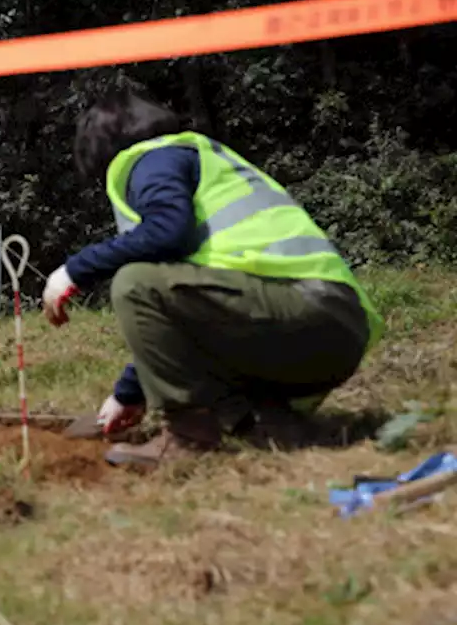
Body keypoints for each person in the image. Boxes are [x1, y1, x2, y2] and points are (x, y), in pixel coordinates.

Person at [40, 89, 384, 469]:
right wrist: (128, 394)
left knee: (134, 283)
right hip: (333, 332)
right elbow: (190, 316)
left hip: (304, 313)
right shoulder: (197, 159)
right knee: (156, 291)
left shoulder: (152, 159)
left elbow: (167, 233)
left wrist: (74, 269)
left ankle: (188, 438)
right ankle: (271, 423)